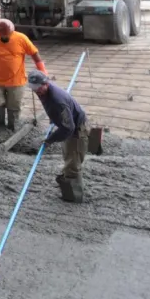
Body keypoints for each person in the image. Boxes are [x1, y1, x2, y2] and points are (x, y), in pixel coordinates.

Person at [28, 71, 89, 203]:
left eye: (38, 88)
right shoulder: (43, 92)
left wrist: (50, 140)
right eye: (33, 88)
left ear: (46, 83)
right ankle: (70, 188)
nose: (36, 91)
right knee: (68, 158)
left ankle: (74, 199)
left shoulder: (58, 100)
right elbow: (52, 109)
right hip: (69, 126)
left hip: (76, 131)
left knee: (72, 165)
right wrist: (54, 118)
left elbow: (69, 128)